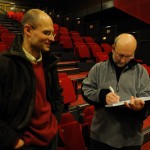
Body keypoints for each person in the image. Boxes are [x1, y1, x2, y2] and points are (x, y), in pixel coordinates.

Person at [0, 9, 64, 150]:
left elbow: (57, 96)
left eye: (53, 33)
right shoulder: (4, 64)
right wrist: (13, 141)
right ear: (28, 30)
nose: (53, 39)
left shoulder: (49, 62)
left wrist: (54, 122)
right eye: (47, 33)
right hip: (23, 144)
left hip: (51, 139)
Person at [81, 33, 150, 150]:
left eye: (128, 56)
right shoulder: (98, 68)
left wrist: (140, 107)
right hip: (101, 137)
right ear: (113, 48)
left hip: (131, 138)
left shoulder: (141, 72)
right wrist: (103, 96)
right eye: (120, 55)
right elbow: (86, 90)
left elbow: (146, 96)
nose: (123, 60)